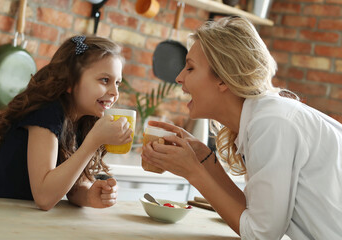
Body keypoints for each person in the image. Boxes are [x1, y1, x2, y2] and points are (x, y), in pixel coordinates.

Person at [141, 16, 342, 239]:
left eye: (190, 68)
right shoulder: (262, 118)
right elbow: (253, 215)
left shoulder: (271, 123)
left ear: (224, 79)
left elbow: (259, 234)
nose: (179, 77)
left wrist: (193, 172)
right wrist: (204, 158)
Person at [0, 35, 133, 211]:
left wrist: (89, 195)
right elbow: (44, 198)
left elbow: (73, 187)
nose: (115, 92)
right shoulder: (46, 113)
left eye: (118, 83)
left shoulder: (84, 120)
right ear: (70, 81)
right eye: (105, 80)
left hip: (22, 217)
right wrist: (94, 141)